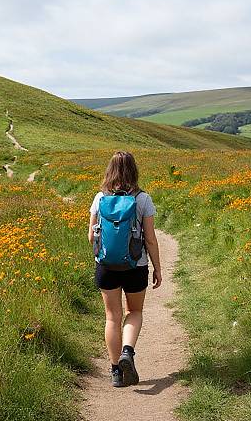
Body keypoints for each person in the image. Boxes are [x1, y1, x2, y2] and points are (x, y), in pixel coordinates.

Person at [88, 150, 162, 388]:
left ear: (110, 170)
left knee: (112, 317)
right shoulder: (143, 199)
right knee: (135, 312)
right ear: (134, 170)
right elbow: (149, 239)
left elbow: (91, 235)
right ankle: (127, 353)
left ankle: (115, 373)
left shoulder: (100, 198)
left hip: (106, 265)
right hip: (136, 266)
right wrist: (157, 268)